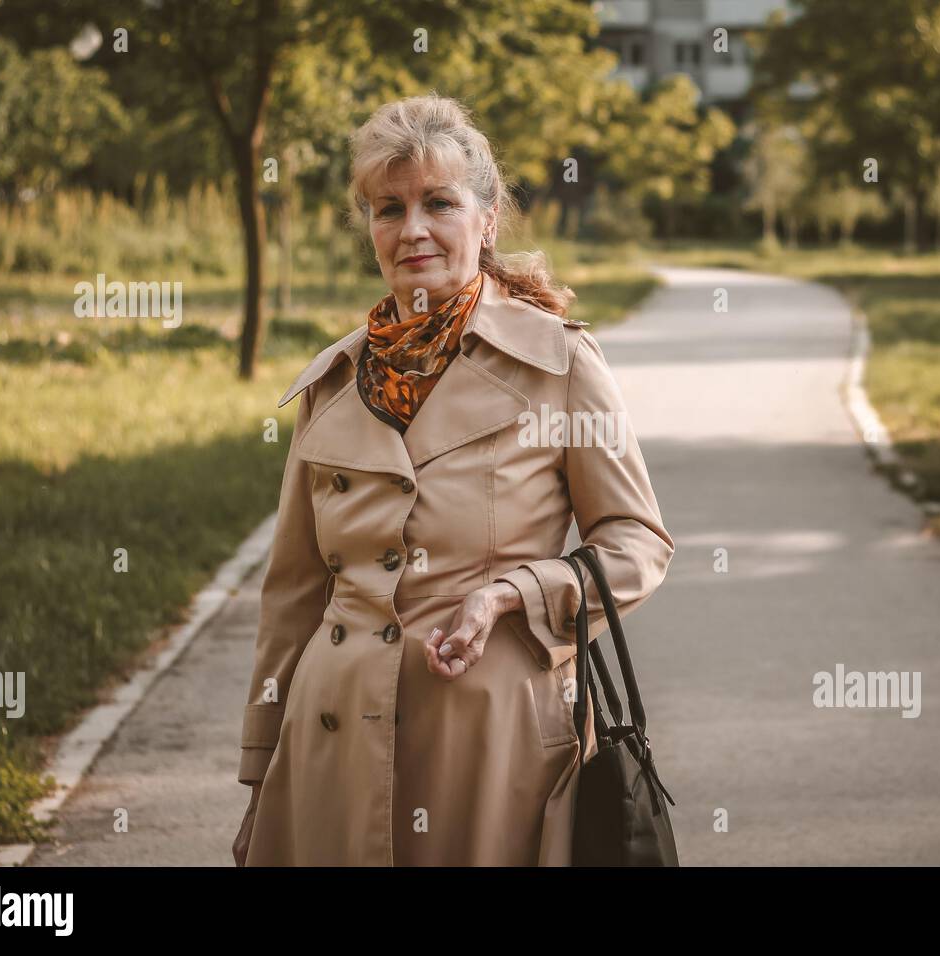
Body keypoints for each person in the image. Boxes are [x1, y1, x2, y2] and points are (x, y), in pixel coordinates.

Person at [232, 94, 673, 866]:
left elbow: (637, 543)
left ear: (487, 216)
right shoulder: (332, 383)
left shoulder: (557, 364)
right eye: (387, 209)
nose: (413, 231)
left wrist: (516, 594)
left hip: (496, 750)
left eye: (438, 203)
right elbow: (294, 593)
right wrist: (262, 776)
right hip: (330, 752)